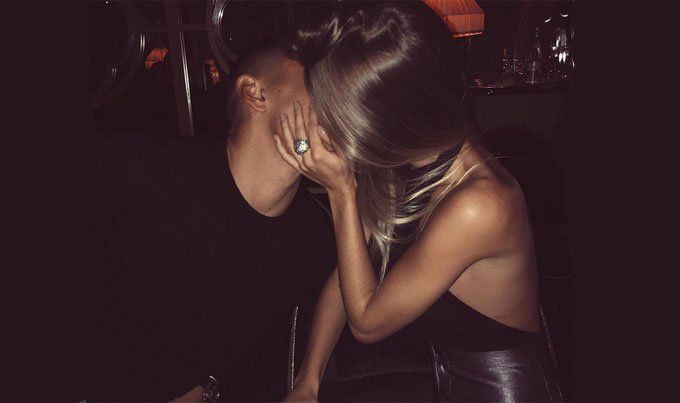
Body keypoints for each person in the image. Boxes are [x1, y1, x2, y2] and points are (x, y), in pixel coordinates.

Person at [276, 2, 562, 401]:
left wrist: (341, 191)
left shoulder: (480, 205)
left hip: (503, 391)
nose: (326, 128)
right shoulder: (403, 162)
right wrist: (307, 383)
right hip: (442, 376)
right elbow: (347, 277)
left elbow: (367, 322)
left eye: (338, 118)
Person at [84, 44, 336, 402]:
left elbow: (352, 297)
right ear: (255, 93)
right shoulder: (139, 168)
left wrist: (308, 383)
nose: (339, 100)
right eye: (317, 84)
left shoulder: (315, 237)